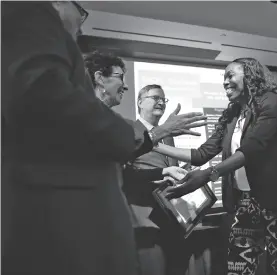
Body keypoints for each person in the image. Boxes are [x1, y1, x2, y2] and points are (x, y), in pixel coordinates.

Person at [1, 2, 206, 275]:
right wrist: (152, 134)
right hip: (67, 228)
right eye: (81, 12)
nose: (82, 23)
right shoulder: (31, 10)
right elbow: (44, 96)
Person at [153, 58, 277, 275]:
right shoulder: (231, 115)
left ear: (250, 76)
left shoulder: (270, 100)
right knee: (238, 269)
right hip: (245, 204)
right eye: (223, 78)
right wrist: (155, 144)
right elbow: (201, 154)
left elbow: (252, 149)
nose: (225, 82)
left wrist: (209, 174)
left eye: (230, 75)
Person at [84, 51, 188, 186]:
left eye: (163, 99)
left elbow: (123, 174)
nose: (125, 86)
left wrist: (164, 172)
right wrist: (163, 130)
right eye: (120, 77)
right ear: (100, 78)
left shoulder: (105, 119)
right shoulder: (87, 119)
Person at [123, 84, 193, 275]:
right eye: (155, 97)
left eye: (163, 99)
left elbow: (169, 170)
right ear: (139, 102)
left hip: (174, 219)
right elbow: (127, 174)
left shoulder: (169, 138)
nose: (161, 102)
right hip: (144, 219)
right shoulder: (129, 129)